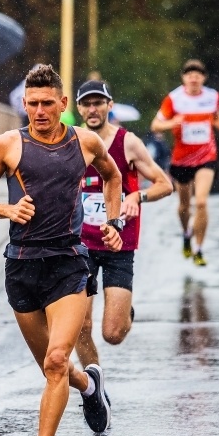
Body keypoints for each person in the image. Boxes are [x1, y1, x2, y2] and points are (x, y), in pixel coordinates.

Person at [0, 65, 122, 436]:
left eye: (46, 104)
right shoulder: (7, 144)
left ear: (63, 104)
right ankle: (91, 386)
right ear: (25, 105)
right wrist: (7, 210)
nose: (38, 111)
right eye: (31, 104)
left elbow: (113, 176)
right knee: (54, 369)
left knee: (57, 360)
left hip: (68, 263)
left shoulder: (85, 142)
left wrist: (114, 222)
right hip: (21, 267)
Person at [73, 79, 172, 369]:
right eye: (87, 104)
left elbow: (164, 185)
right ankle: (95, 385)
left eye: (98, 103)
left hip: (120, 243)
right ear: (79, 108)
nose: (93, 109)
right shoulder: (70, 142)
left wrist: (137, 197)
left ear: (109, 106)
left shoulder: (127, 142)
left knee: (113, 333)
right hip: (81, 245)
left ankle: (125, 312)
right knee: (81, 326)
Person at [151, 59, 219, 267]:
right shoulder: (174, 99)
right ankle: (186, 233)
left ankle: (198, 248)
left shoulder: (212, 97)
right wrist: (173, 122)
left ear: (203, 78)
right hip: (181, 159)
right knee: (184, 206)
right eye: (190, 74)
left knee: (201, 202)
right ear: (184, 78)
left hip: (206, 157)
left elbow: (215, 117)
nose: (194, 78)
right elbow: (155, 125)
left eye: (198, 74)